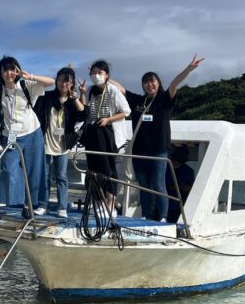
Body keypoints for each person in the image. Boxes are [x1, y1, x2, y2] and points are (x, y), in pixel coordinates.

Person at [111, 54, 204, 221]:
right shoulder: (139, 101)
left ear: (158, 83)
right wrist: (104, 76)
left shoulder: (164, 99)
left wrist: (189, 69)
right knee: (144, 186)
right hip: (140, 151)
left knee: (159, 185)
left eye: (152, 81)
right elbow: (121, 89)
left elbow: (175, 83)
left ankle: (162, 217)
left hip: (159, 150)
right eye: (146, 82)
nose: (149, 84)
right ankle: (146, 215)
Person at [0, 56, 54, 222]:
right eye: (5, 70)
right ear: (0, 73)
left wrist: (29, 76)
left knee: (33, 171)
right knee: (8, 168)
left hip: (32, 133)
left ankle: (27, 206)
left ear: (17, 69)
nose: (9, 73)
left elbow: (51, 81)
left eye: (12, 69)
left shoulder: (26, 84)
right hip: (10, 135)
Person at [80, 60, 131, 216]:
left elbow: (126, 111)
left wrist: (108, 119)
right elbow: (85, 109)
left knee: (108, 169)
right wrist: (82, 93)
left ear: (107, 75)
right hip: (92, 132)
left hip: (107, 132)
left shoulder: (113, 91)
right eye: (93, 73)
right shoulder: (89, 90)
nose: (96, 76)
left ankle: (111, 204)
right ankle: (98, 202)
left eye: (100, 73)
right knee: (94, 168)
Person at [34, 67, 86, 218]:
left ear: (71, 84)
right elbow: (36, 114)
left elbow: (83, 115)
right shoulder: (46, 97)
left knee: (61, 176)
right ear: (56, 81)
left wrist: (77, 97)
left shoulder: (72, 101)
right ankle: (43, 204)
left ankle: (62, 206)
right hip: (45, 142)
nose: (64, 84)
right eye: (61, 80)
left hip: (63, 144)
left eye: (68, 81)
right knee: (44, 176)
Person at [165, 145, 195, 223]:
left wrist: (176, 187)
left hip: (179, 206)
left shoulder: (189, 171)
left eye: (179, 160)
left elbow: (190, 189)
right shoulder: (164, 168)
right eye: (175, 159)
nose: (176, 162)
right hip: (163, 204)